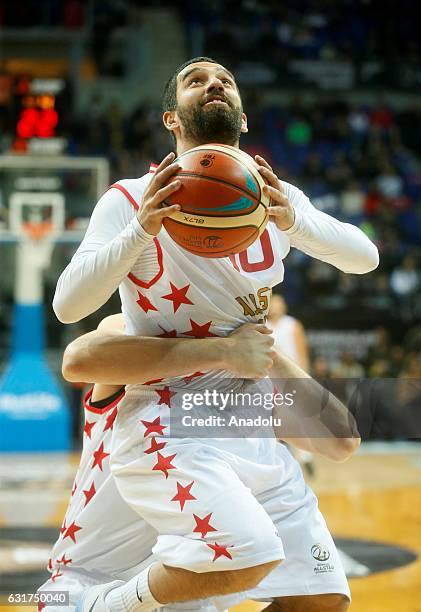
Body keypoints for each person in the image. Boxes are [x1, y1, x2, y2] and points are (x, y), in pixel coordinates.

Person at [53, 57, 378, 612]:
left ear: (244, 119)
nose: (213, 84)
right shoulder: (132, 200)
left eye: (224, 79)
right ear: (171, 120)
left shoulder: (278, 200)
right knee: (245, 555)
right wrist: (140, 232)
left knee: (321, 598)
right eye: (195, 80)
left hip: (246, 412)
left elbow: (365, 258)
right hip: (171, 409)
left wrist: (294, 220)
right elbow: (68, 308)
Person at [38, 315, 359, 612]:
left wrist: (264, 347)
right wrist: (222, 349)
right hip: (89, 584)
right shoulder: (136, 326)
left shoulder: (248, 381)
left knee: (322, 600)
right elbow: (77, 360)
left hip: (187, 592)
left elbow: (341, 440)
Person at [267, 294, 309, 371]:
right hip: (269, 370)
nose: (274, 310)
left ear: (283, 307)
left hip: (291, 368)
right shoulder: (263, 325)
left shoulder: (293, 324)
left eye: (277, 306)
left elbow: (302, 353)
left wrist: (305, 375)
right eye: (272, 306)